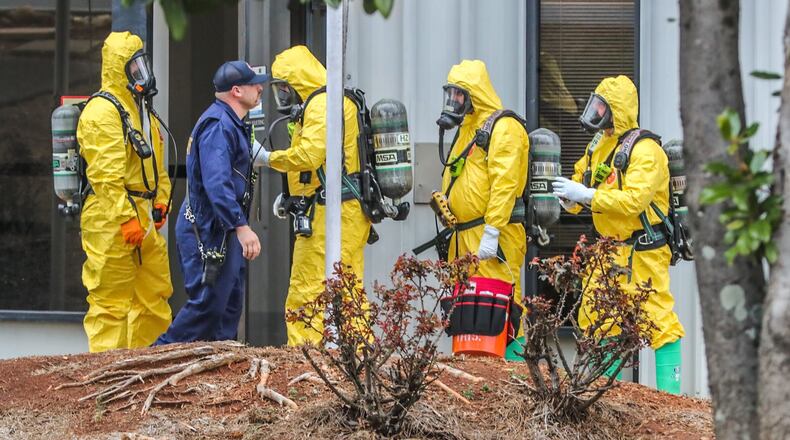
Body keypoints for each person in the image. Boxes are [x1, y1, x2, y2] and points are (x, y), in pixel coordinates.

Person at [552, 75, 685, 394]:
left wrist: (585, 196)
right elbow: (583, 182)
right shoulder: (599, 144)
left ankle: (673, 399)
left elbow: (632, 201)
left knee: (658, 319)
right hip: (609, 251)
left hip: (644, 249)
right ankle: (602, 397)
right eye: (594, 104)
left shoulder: (646, 150)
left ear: (617, 110)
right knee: (599, 317)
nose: (594, 112)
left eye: (601, 106)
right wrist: (570, 198)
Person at [257, 45, 372, 346]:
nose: (282, 96)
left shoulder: (321, 104)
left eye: (284, 87)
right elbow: (324, 164)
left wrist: (268, 159)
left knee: (306, 289)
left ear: (298, 81)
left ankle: (304, 359)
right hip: (343, 210)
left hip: (331, 214)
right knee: (348, 289)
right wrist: (293, 196)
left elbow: (309, 156)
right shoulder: (328, 101)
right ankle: (359, 358)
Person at [154, 61, 267, 344]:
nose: (260, 88)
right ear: (237, 90)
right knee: (209, 303)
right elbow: (217, 183)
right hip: (205, 229)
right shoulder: (219, 125)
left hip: (219, 228)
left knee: (228, 302)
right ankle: (155, 357)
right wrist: (240, 226)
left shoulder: (232, 123)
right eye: (255, 84)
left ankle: (221, 367)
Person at [77, 31, 172, 352]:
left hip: (141, 214)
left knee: (154, 294)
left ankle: (146, 365)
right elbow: (104, 175)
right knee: (110, 302)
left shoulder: (140, 110)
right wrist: (123, 218)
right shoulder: (102, 112)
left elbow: (157, 162)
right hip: (110, 219)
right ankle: (107, 378)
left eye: (142, 65)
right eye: (134, 67)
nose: (141, 74)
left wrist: (161, 199)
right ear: (120, 68)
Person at [435, 60, 530, 353]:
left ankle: (513, 379)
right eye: (450, 95)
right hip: (463, 240)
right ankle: (479, 386)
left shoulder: (504, 128)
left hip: (493, 239)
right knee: (467, 314)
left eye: (459, 95)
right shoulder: (468, 130)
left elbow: (505, 183)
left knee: (500, 310)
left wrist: (492, 230)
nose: (453, 102)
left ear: (474, 94)